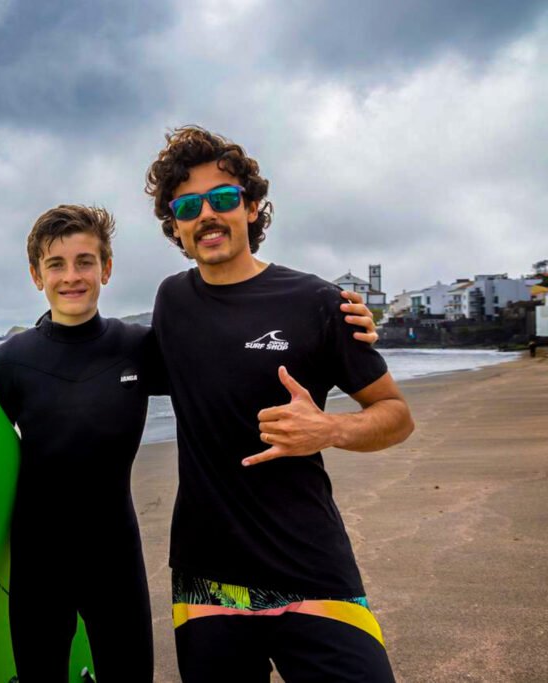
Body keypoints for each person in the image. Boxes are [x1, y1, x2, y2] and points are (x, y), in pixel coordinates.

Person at [0, 204, 379, 681]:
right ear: (35, 275)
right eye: (56, 265)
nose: (72, 276)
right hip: (38, 559)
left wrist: (339, 327)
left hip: (115, 556)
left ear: (106, 269)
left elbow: (226, 358)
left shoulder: (138, 348)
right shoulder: (10, 362)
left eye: (85, 261)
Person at [145, 126, 414, 682]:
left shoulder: (318, 302)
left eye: (223, 198)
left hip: (310, 566)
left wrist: (330, 430)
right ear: (175, 224)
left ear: (252, 207)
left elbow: (395, 414)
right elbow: (107, 361)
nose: (208, 215)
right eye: (188, 205)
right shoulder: (172, 300)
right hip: (207, 577)